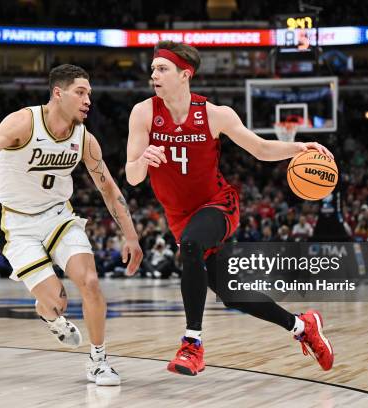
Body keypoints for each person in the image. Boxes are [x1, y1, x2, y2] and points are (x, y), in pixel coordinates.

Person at [126, 41, 335, 376]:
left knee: (192, 246)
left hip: (217, 206)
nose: (154, 75)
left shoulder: (214, 114)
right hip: (180, 218)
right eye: (153, 69)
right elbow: (132, 176)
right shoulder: (144, 113)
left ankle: (191, 345)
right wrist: (143, 160)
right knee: (234, 295)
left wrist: (299, 147)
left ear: (185, 74)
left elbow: (261, 148)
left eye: (162, 69)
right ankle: (302, 326)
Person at [0, 64, 143, 386]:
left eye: (90, 94)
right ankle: (48, 313)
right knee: (57, 302)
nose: (88, 100)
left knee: (90, 282)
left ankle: (99, 361)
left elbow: (109, 188)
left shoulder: (85, 138)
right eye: (80, 92)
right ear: (58, 93)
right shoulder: (23, 122)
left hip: (58, 217)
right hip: (17, 223)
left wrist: (131, 236)